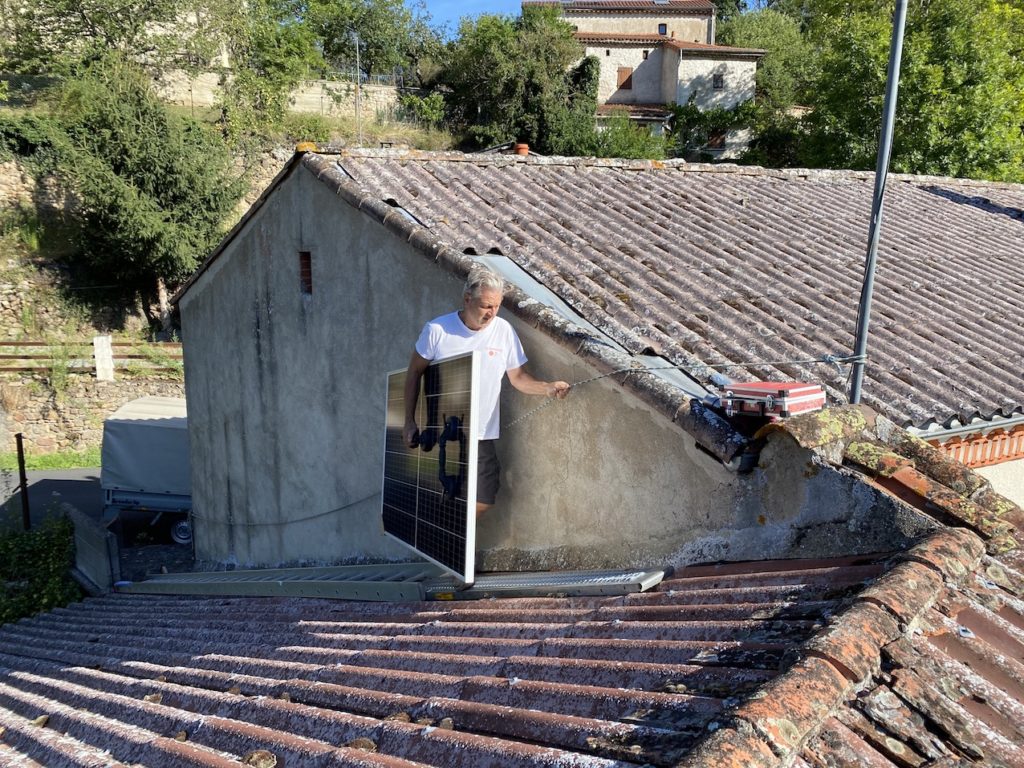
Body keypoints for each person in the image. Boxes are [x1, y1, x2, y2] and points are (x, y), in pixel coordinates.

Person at [404, 267, 569, 514]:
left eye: (496, 306)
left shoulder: (503, 331)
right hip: (444, 434)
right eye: (485, 306)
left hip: (482, 434)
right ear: (467, 299)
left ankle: (452, 537)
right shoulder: (438, 331)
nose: (491, 313)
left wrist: (547, 388)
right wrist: (408, 421)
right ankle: (449, 541)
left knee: (483, 499)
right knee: (442, 499)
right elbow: (414, 372)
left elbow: (519, 377)